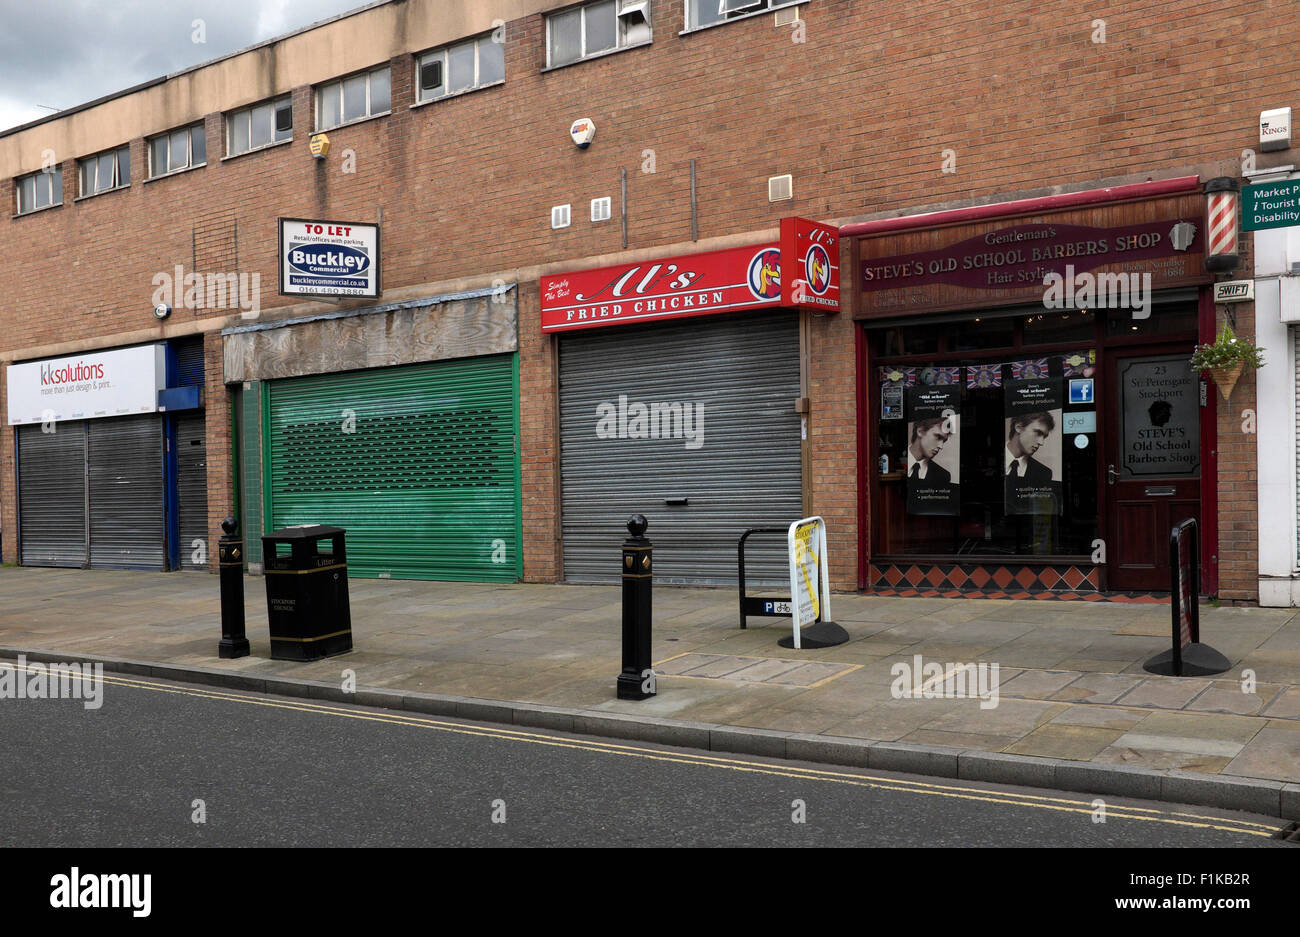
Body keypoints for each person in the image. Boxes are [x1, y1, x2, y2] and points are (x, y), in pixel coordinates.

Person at [1005, 411, 1058, 514]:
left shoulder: (1044, 473)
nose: (1041, 442)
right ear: (1019, 427)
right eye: (1038, 433)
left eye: (1044, 437)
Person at [907, 416, 956, 513]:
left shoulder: (943, 476)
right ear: (920, 431)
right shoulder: (896, 463)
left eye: (944, 441)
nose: (941, 446)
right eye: (938, 437)